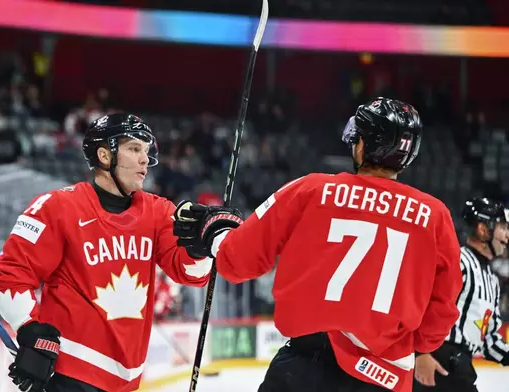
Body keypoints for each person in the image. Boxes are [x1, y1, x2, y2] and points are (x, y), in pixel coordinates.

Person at [173, 97, 463, 391]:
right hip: (384, 375)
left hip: (302, 368)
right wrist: (421, 344)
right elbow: (445, 304)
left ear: (361, 145)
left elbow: (239, 261)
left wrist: (216, 233)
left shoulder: (310, 189)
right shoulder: (435, 216)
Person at [0, 113, 212, 392]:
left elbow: (190, 274)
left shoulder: (158, 211)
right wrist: (27, 326)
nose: (144, 159)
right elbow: (11, 275)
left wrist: (200, 246)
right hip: (70, 372)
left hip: (127, 379)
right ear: (105, 155)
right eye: (133, 149)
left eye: (145, 150)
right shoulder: (58, 207)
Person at [413, 197, 509, 392]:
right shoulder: (458, 262)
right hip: (439, 360)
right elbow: (419, 305)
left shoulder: (491, 280)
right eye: (503, 228)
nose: (507, 236)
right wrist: (419, 354)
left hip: (460, 365)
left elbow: (490, 341)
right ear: (483, 229)